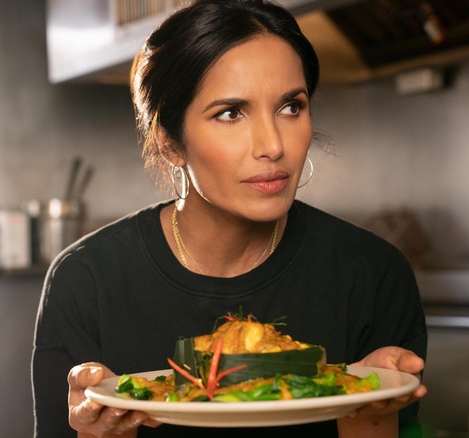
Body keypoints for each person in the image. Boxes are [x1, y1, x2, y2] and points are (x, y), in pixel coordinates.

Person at [31, 0, 428, 436]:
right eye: (230, 113)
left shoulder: (372, 274)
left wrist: (369, 409)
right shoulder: (87, 280)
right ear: (169, 141)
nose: (273, 144)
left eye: (290, 107)